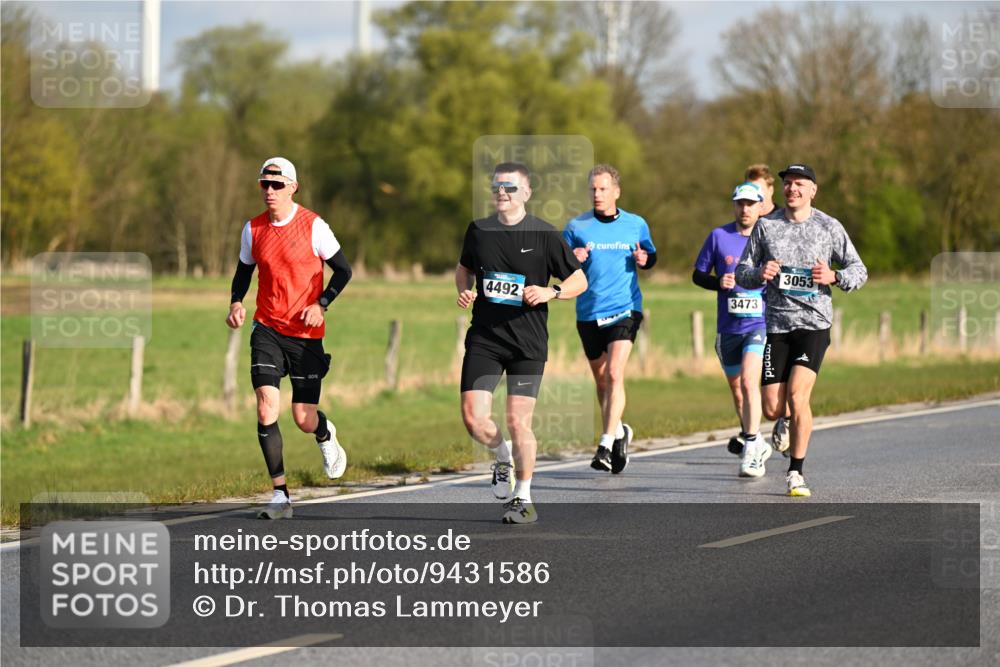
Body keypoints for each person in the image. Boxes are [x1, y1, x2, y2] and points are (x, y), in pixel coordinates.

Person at [456, 162, 587, 524]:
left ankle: (524, 498)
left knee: (517, 420)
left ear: (526, 193)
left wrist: (551, 291)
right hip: (485, 339)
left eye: (511, 187)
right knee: (473, 419)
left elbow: (579, 280)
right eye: (497, 186)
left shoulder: (544, 235)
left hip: (527, 345)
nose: (502, 192)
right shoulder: (479, 231)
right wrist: (465, 290)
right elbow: (464, 268)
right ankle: (503, 457)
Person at [226, 157, 354, 519]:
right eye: (264, 184)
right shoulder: (252, 229)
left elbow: (344, 270)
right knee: (267, 406)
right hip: (266, 327)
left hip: (306, 334)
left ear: (292, 187)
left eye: (277, 185)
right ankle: (281, 495)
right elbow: (243, 272)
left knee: (302, 417)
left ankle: (325, 432)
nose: (269, 191)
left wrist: (322, 304)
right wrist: (236, 302)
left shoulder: (314, 227)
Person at [735, 164, 867, 497]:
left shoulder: (828, 227)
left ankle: (796, 472)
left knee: (798, 395)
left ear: (812, 190)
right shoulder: (766, 227)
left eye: (799, 184)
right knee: (772, 408)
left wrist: (835, 277)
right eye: (788, 184)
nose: (792, 189)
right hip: (777, 325)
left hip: (814, 324)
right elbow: (741, 272)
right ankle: (786, 421)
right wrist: (760, 272)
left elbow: (859, 270)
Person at [563, 164, 657, 474]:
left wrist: (645, 260)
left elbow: (650, 255)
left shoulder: (635, 224)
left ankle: (604, 443)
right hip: (589, 311)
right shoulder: (577, 227)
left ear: (616, 192)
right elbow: (559, 267)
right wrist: (571, 260)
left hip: (625, 307)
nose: (597, 194)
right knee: (602, 382)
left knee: (616, 373)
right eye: (593, 189)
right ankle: (620, 431)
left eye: (603, 189)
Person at [693, 182, 772, 477]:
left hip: (758, 324)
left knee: (750, 382)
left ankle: (751, 448)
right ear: (735, 205)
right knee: (739, 393)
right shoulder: (718, 236)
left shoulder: (769, 238)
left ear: (761, 206)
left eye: (751, 204)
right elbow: (698, 275)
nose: (745, 208)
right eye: (741, 203)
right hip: (728, 328)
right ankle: (757, 440)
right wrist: (718, 282)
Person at [744, 163, 789, 452]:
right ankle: (750, 432)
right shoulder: (745, 220)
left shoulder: (783, 221)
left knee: (782, 381)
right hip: (751, 313)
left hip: (782, 312)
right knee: (749, 380)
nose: (752, 200)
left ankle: (786, 418)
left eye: (758, 193)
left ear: (771, 191)